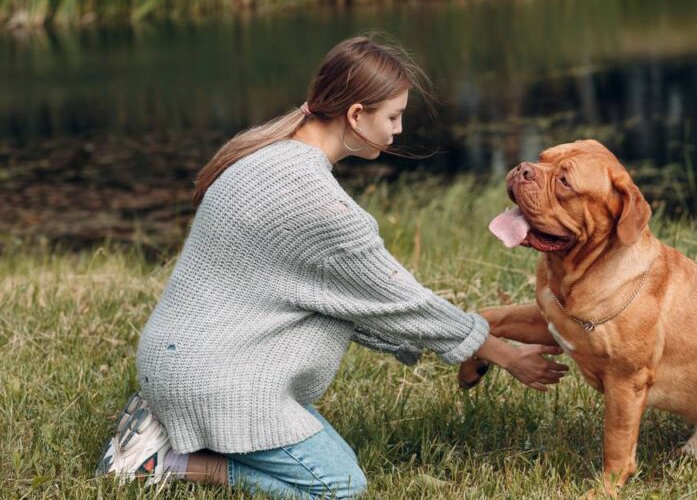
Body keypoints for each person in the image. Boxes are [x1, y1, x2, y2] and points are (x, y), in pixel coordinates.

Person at [95, 35, 569, 498]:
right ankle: (164, 460)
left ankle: (163, 421)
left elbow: (359, 304)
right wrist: (505, 355)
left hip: (176, 362)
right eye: (393, 116)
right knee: (338, 486)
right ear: (356, 115)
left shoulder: (264, 155)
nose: (398, 130)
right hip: (213, 381)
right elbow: (403, 304)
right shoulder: (317, 202)